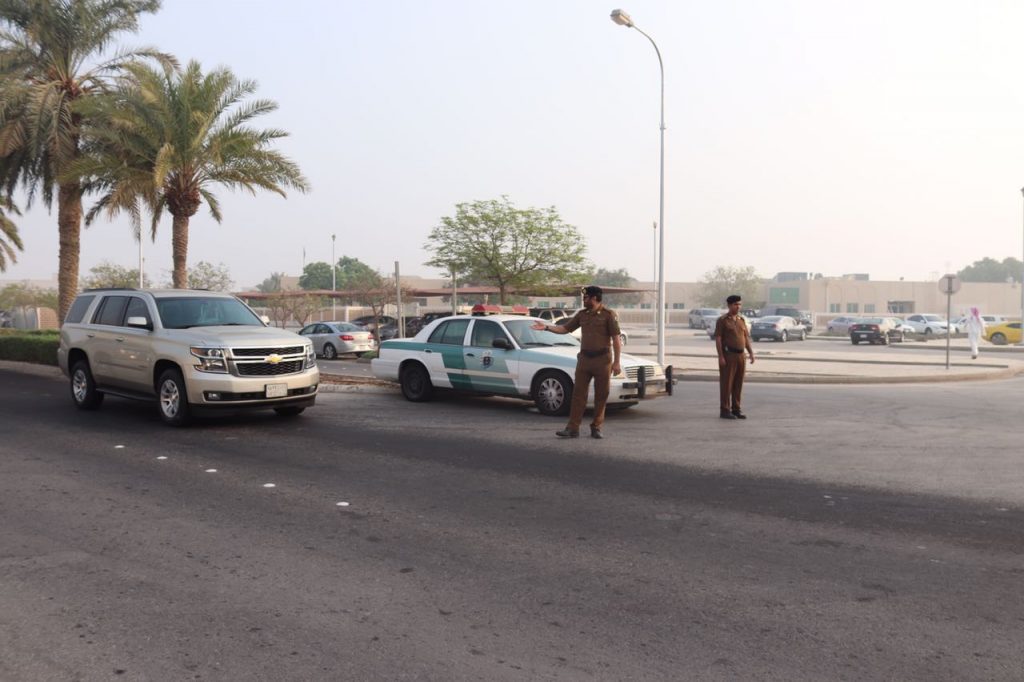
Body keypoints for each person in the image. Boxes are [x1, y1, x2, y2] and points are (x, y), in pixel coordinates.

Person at [531, 285, 621, 439]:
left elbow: (616, 339)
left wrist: (616, 362)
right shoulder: (582, 315)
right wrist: (546, 327)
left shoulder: (608, 315)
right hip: (584, 360)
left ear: (594, 298)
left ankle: (596, 427)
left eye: (586, 298)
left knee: (601, 395)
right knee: (578, 395)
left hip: (602, 360)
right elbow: (565, 329)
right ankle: (572, 428)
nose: (583, 300)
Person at [714, 294, 755, 419]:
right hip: (728, 356)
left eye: (739, 304)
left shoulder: (741, 320)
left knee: (738, 384)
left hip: (741, 356)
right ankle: (725, 410)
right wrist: (721, 356)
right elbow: (718, 339)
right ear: (729, 305)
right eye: (735, 304)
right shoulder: (722, 320)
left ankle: (736, 409)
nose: (738, 307)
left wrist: (751, 353)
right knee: (727, 384)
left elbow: (745, 338)